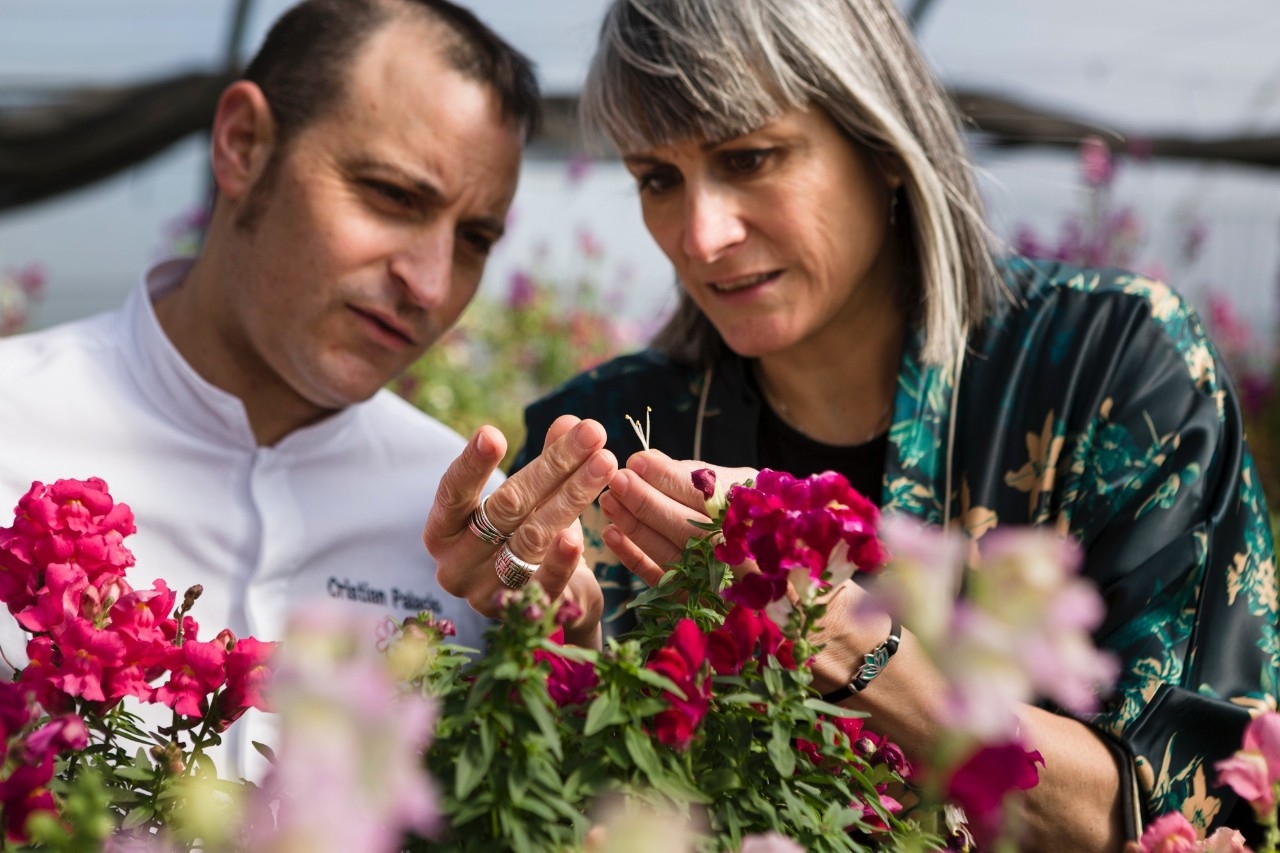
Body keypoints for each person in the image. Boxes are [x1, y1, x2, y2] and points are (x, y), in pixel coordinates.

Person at [488, 0, 1279, 848]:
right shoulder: (609, 430)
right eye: (657, 178)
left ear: (885, 146)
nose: (701, 234)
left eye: (750, 158)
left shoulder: (1109, 371)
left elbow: (1191, 810)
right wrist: (544, 653)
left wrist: (856, 649)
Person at [0, 0, 616, 777]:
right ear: (243, 145)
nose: (429, 283)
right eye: (393, 194)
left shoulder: (476, 539)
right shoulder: (13, 425)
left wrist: (565, 665)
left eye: (475, 239)